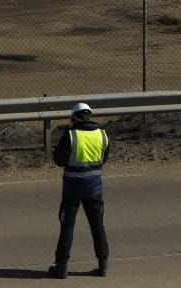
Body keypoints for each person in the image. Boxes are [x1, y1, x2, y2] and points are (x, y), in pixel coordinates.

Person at [47, 101, 111, 279]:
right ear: (89, 116)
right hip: (94, 187)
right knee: (97, 225)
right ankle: (103, 264)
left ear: (74, 118)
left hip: (72, 188)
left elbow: (59, 160)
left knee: (67, 226)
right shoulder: (102, 134)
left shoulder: (71, 134)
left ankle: (61, 266)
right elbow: (104, 158)